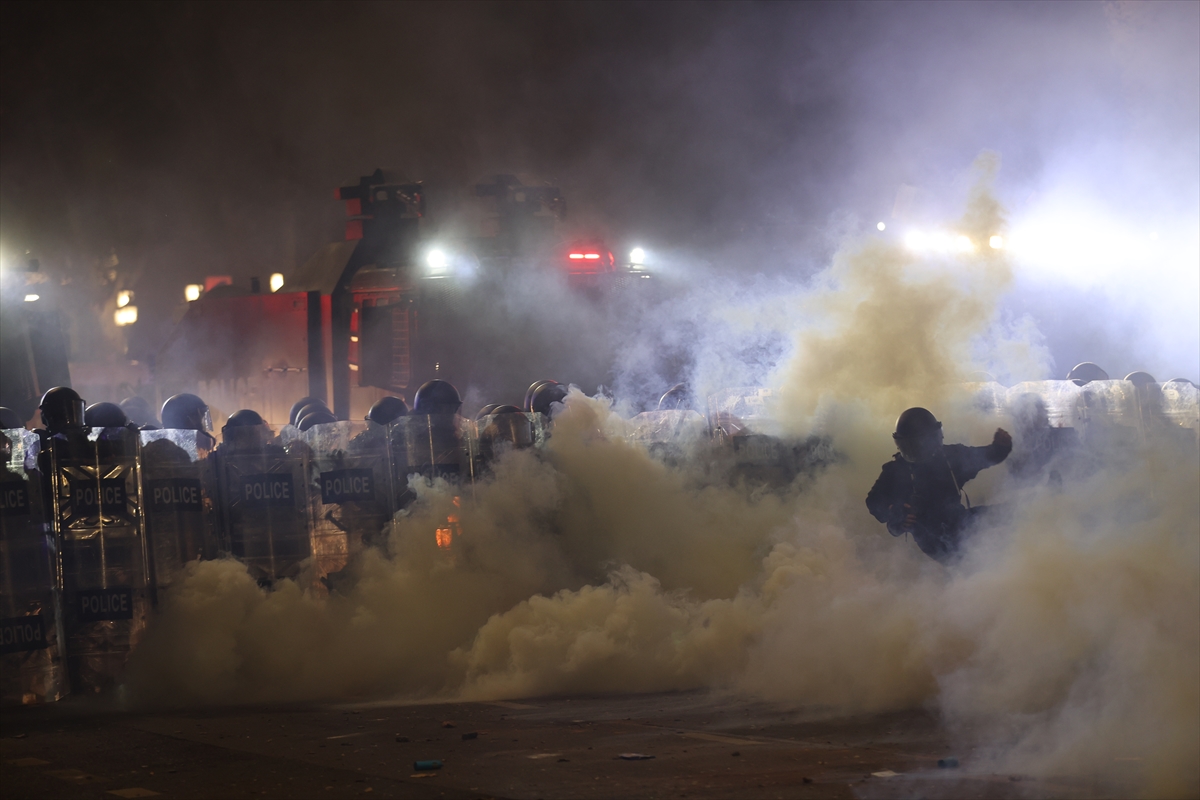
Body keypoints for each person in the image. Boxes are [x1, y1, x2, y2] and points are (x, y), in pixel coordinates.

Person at [866, 407, 1012, 563]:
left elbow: (986, 457)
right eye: (910, 445)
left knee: (1013, 513)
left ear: (934, 441)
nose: (915, 451)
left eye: (919, 445)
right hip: (931, 540)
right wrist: (894, 511)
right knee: (971, 562)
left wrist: (1000, 447)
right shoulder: (895, 471)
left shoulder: (951, 458)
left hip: (959, 521)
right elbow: (873, 502)